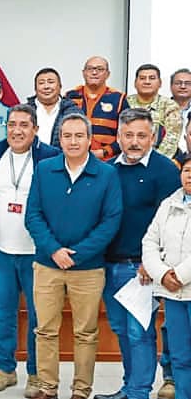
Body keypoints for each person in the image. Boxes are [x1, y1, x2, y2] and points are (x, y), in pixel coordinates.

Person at [25, 113, 123, 399]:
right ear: (59, 139)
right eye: (67, 136)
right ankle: (47, 387)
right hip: (47, 264)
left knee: (86, 333)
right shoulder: (44, 169)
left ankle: (81, 390)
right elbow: (33, 215)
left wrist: (76, 255)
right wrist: (54, 250)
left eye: (79, 136)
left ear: (90, 139)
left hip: (88, 269)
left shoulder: (107, 174)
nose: (73, 141)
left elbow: (111, 221)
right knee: (45, 330)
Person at [97, 109, 182, 399]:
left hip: (141, 269)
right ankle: (129, 386)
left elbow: (171, 224)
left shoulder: (165, 170)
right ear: (118, 136)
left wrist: (152, 262)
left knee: (139, 332)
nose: (134, 142)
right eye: (129, 135)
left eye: (142, 136)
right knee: (120, 329)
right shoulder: (107, 169)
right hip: (109, 264)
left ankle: (138, 392)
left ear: (153, 137)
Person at [0, 104, 62, 396]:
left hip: (36, 252)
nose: (17, 130)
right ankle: (5, 369)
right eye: (12, 124)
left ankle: (36, 372)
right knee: (3, 312)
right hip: (2, 250)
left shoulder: (50, 157)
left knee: (38, 316)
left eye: (24, 125)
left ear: (35, 129)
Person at [141, 160, 191, 399]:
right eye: (187, 171)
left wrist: (179, 276)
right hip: (173, 295)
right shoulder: (168, 204)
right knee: (180, 356)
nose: (190, 176)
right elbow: (150, 241)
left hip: (182, 283)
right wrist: (161, 274)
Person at [64, 56, 125, 160]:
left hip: (106, 160)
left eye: (100, 69)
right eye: (90, 69)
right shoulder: (70, 96)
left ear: (108, 74)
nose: (94, 72)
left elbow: (127, 133)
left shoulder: (118, 99)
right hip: (74, 157)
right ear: (84, 73)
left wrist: (105, 152)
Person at [127, 64, 185, 159]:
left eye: (152, 78)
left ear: (160, 83)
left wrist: (153, 162)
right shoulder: (125, 102)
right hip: (126, 158)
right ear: (135, 83)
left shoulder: (170, 106)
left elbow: (171, 141)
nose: (147, 82)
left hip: (156, 160)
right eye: (142, 78)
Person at [29, 68, 67, 147]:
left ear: (60, 86)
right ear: (35, 89)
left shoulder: (72, 111)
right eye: (41, 83)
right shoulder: (24, 111)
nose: (46, 87)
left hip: (62, 154)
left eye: (51, 82)